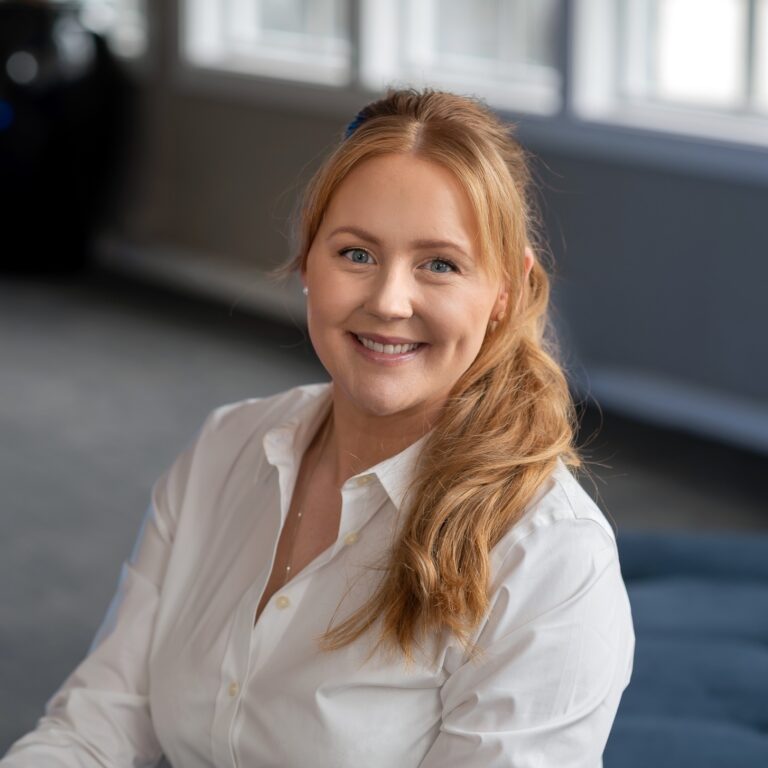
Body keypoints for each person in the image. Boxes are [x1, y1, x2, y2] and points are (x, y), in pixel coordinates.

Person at [2, 87, 634, 767]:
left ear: (505, 291)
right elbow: (95, 727)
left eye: (440, 265)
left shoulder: (551, 560)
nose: (389, 301)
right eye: (356, 254)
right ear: (307, 258)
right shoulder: (226, 446)